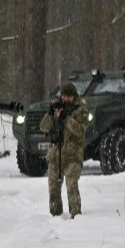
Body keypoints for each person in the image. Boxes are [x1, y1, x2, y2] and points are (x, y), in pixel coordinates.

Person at [38, 82, 90, 217]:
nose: (66, 99)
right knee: (53, 187)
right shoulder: (58, 109)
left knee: (71, 186)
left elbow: (79, 131)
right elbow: (44, 127)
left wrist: (66, 118)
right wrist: (50, 113)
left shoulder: (82, 111)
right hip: (56, 154)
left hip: (73, 155)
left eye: (69, 97)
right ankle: (55, 215)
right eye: (64, 96)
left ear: (74, 96)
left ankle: (76, 214)